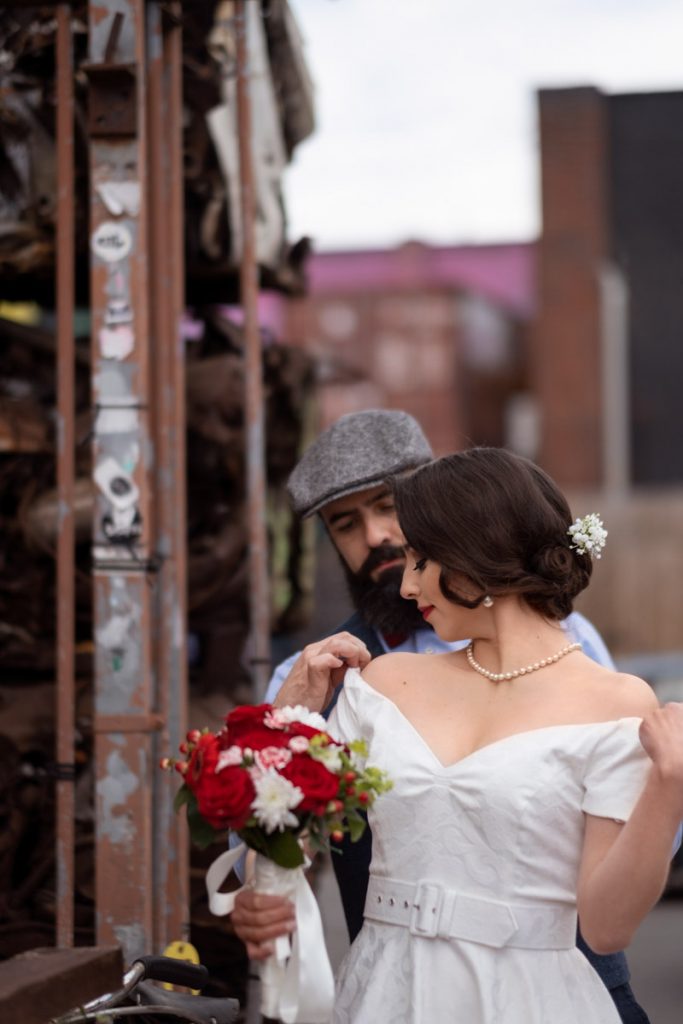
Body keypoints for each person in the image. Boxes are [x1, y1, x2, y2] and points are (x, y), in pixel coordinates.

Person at [231, 412, 652, 1023]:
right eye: (345, 524)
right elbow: (272, 842)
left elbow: (635, 828)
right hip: (396, 980)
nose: (378, 538)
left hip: (569, 976)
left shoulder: (578, 649)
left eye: (387, 508)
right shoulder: (330, 676)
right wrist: (260, 887)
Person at [318, 447, 683, 1023]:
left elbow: (608, 928)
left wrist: (671, 782)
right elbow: (286, 833)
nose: (408, 588)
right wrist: (290, 718)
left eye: (420, 560)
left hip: (532, 999)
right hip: (387, 990)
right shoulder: (383, 681)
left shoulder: (616, 702)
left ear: (473, 554)